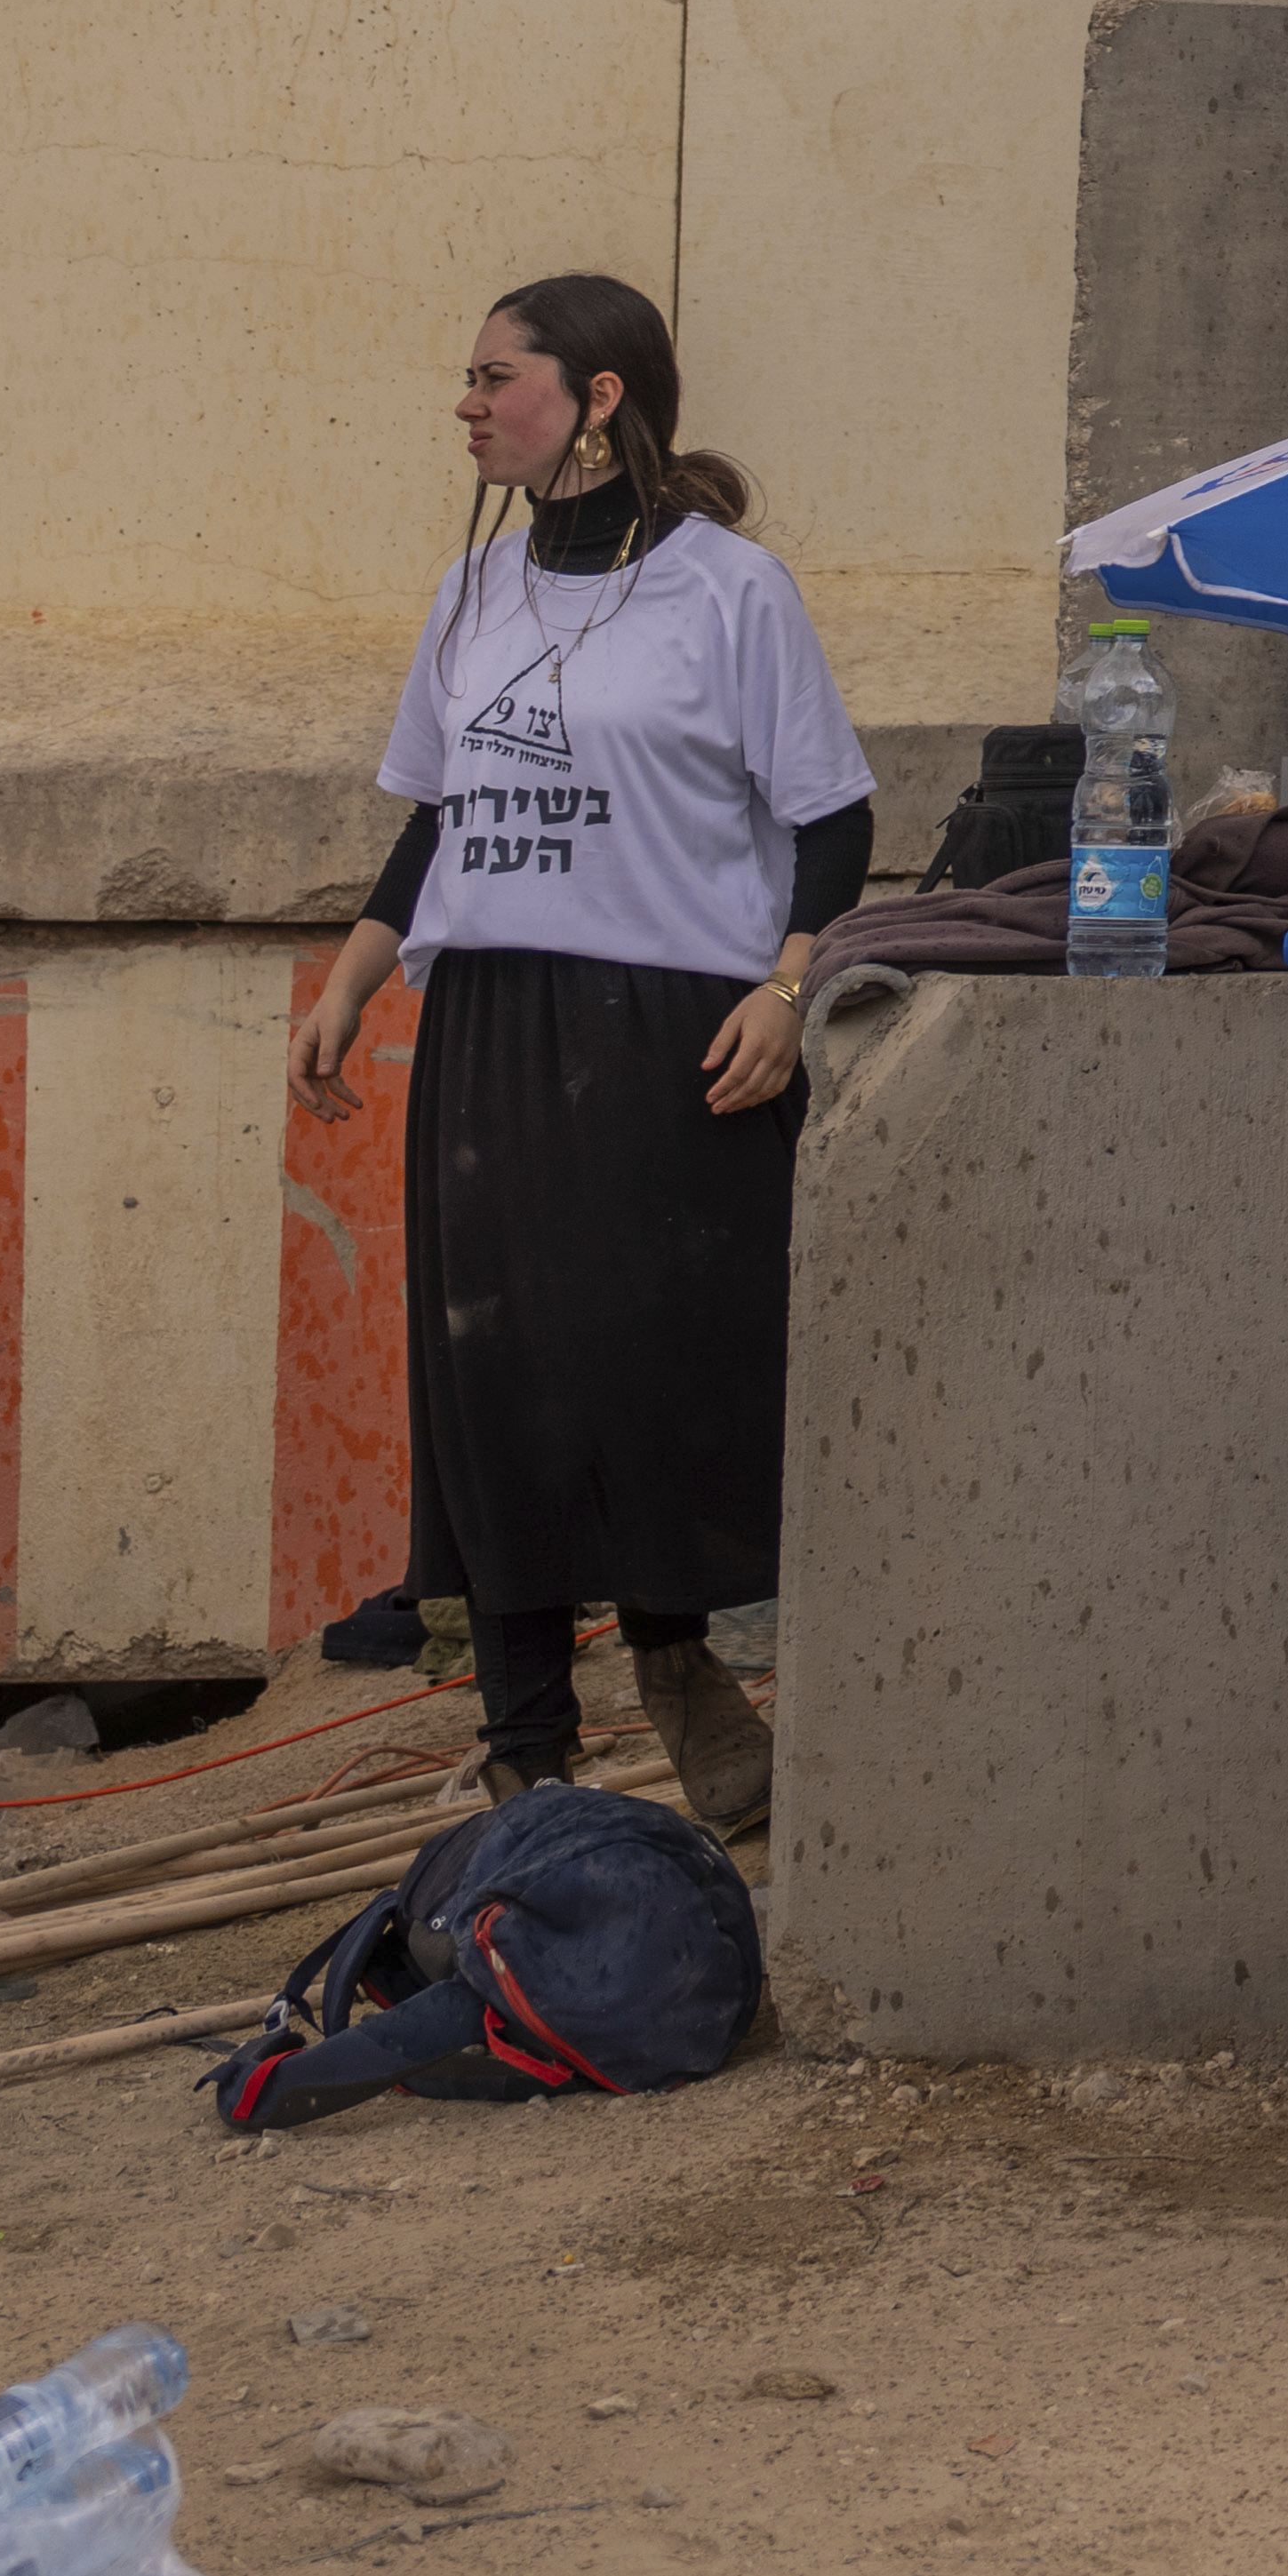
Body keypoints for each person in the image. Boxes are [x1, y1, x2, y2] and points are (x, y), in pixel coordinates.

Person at [285, 279, 869, 1840]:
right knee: (499, 1378)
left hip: (670, 1025)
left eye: (497, 377)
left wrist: (790, 986)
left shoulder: (730, 589)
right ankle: (526, 1744)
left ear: (599, 396)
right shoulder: (470, 597)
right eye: (465, 379)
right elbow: (439, 818)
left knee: (653, 1368)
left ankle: (680, 1672)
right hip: (486, 1024)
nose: (468, 404)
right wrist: (353, 978)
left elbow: (834, 818)